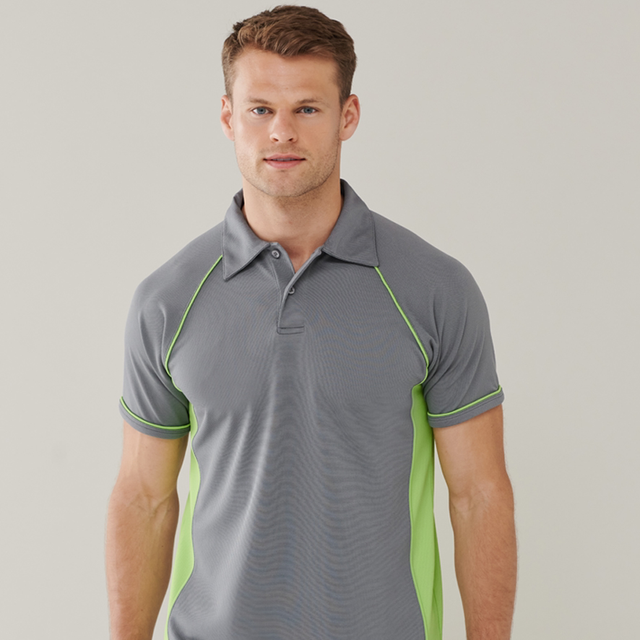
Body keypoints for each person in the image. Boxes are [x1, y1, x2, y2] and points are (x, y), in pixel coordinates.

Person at [106, 5, 516, 640]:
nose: (281, 132)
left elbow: (479, 494)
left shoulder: (435, 289)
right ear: (228, 117)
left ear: (347, 116)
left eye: (307, 108)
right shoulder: (168, 299)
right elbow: (143, 499)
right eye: (260, 109)